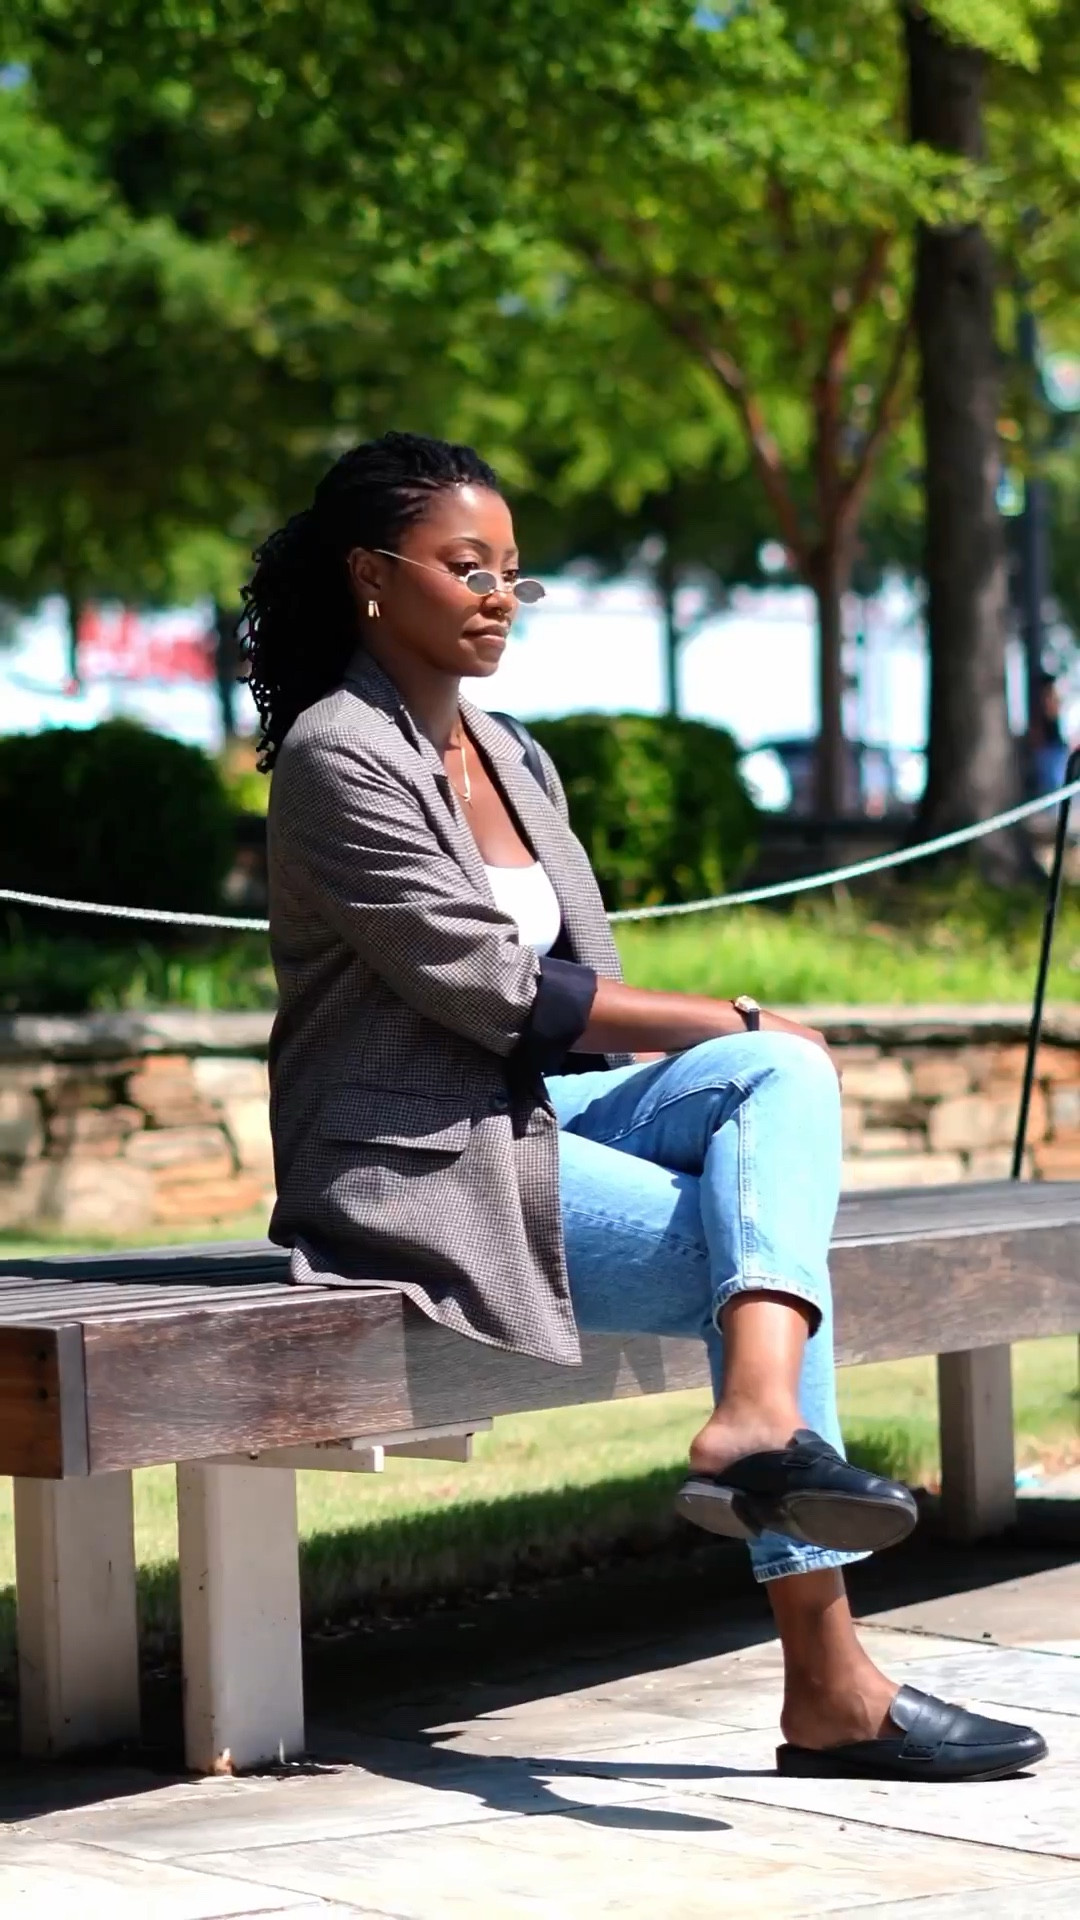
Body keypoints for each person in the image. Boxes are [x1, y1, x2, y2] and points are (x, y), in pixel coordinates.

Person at [244, 431, 1046, 1782]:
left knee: (782, 1088)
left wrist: (750, 1044)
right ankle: (827, 1673)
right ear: (374, 578)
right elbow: (504, 992)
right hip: (414, 1161)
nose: (500, 596)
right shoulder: (339, 757)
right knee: (768, 1268)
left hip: (541, 1120)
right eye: (467, 567)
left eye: (515, 575)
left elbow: (579, 988)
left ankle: (762, 1433)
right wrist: (733, 1012)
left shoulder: (511, 756)